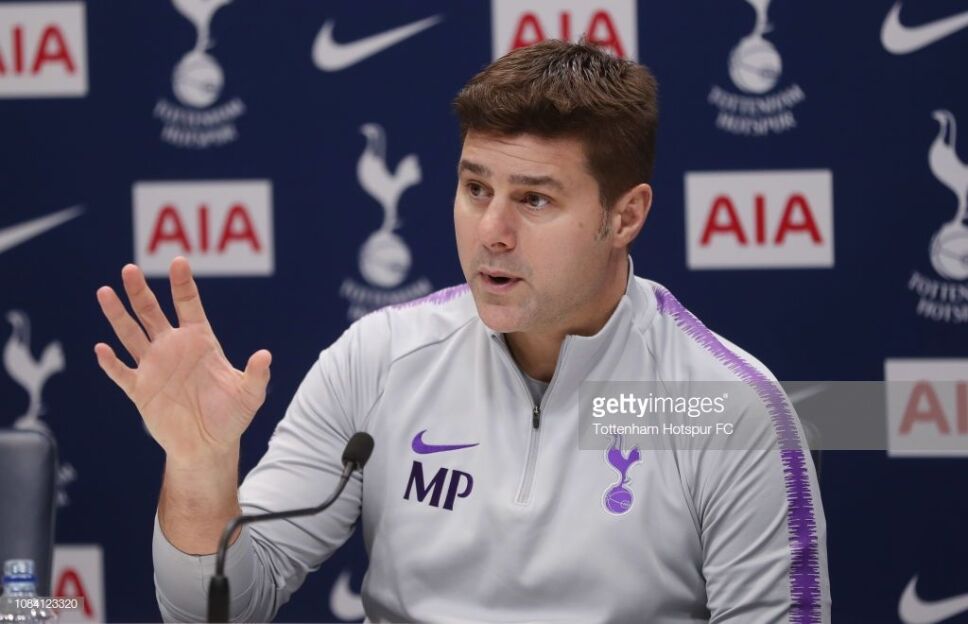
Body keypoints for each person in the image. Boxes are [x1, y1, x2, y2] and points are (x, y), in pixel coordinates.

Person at [95, 40, 830, 623]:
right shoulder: (377, 359)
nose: (492, 232)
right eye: (476, 188)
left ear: (626, 216)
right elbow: (217, 611)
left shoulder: (726, 407)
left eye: (534, 200)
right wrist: (200, 467)